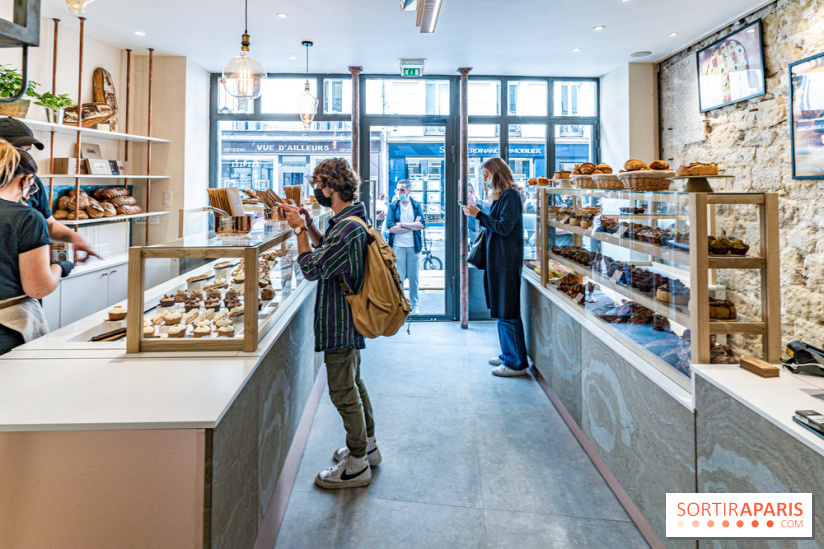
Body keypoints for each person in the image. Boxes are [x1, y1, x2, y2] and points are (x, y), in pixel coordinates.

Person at [280, 157, 380, 489]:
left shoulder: (348, 227)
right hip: (348, 318)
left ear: (332, 187)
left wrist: (297, 231)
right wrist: (308, 225)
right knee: (354, 382)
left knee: (342, 391)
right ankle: (368, 447)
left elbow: (312, 268)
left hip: (340, 320)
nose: (317, 192)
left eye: (319, 185)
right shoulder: (351, 219)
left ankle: (356, 464)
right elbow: (329, 251)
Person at [0, 144, 73, 355]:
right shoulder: (26, 218)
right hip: (8, 327)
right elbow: (38, 288)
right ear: (26, 180)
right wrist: (60, 266)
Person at [461, 157, 528, 377]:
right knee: (501, 309)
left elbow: (504, 227)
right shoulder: (504, 197)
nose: (485, 180)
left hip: (506, 263)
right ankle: (507, 353)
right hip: (499, 262)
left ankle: (516, 362)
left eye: (487, 176)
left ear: (497, 174)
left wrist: (478, 215)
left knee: (507, 311)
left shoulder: (511, 196)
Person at [0, 118, 101, 262]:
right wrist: (62, 266)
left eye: (27, 151)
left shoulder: (31, 182)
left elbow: (50, 224)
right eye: (17, 149)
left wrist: (75, 237)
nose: (24, 156)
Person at [385, 180, 425, 314]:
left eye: (402, 190)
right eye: (397, 190)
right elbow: (390, 228)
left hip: (414, 246)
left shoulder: (416, 205)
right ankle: (401, 305)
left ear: (409, 191)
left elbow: (421, 225)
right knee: (399, 278)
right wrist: (412, 225)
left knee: (414, 278)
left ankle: (414, 305)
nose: (399, 192)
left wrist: (401, 225)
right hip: (398, 246)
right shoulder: (393, 206)